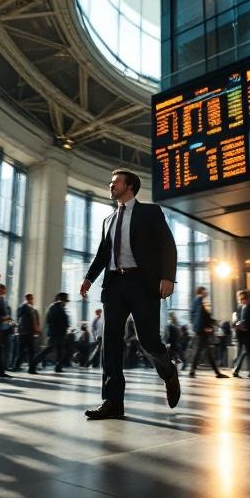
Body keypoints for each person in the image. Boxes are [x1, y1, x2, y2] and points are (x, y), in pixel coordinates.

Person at [79, 168, 180, 419]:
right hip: (114, 285)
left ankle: (168, 372)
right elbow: (103, 254)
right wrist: (89, 278)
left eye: (115, 183)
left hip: (142, 282)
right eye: (111, 183)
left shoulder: (150, 212)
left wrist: (168, 277)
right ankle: (113, 401)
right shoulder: (108, 220)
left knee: (148, 340)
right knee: (110, 342)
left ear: (130, 186)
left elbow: (167, 244)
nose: (111, 186)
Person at [189, 286, 227, 378]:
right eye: (205, 291)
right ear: (201, 292)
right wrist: (206, 327)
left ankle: (194, 371)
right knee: (201, 351)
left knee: (205, 352)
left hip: (200, 330)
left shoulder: (195, 301)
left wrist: (211, 323)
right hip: (202, 331)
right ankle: (216, 373)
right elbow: (201, 316)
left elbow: (194, 317)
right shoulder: (200, 300)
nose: (206, 293)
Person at [30, 292, 71, 373]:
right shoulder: (55, 308)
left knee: (60, 351)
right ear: (60, 300)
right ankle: (33, 364)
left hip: (58, 334)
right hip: (56, 334)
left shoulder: (57, 307)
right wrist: (62, 329)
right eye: (64, 301)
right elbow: (53, 321)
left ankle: (58, 367)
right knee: (48, 349)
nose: (65, 303)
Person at [232, 290, 250, 378]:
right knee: (244, 352)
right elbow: (237, 320)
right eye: (241, 298)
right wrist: (237, 324)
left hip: (248, 333)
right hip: (241, 334)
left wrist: (249, 328)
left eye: (243, 298)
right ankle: (240, 370)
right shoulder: (240, 308)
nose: (241, 300)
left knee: (248, 352)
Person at [12, 293, 40, 371]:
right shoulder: (23, 307)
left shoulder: (32, 309)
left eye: (32, 298)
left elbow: (35, 320)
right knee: (23, 351)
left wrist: (36, 330)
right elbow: (20, 319)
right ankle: (17, 366)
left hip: (29, 333)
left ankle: (30, 368)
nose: (31, 300)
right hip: (24, 333)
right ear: (26, 299)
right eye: (30, 298)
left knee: (30, 351)